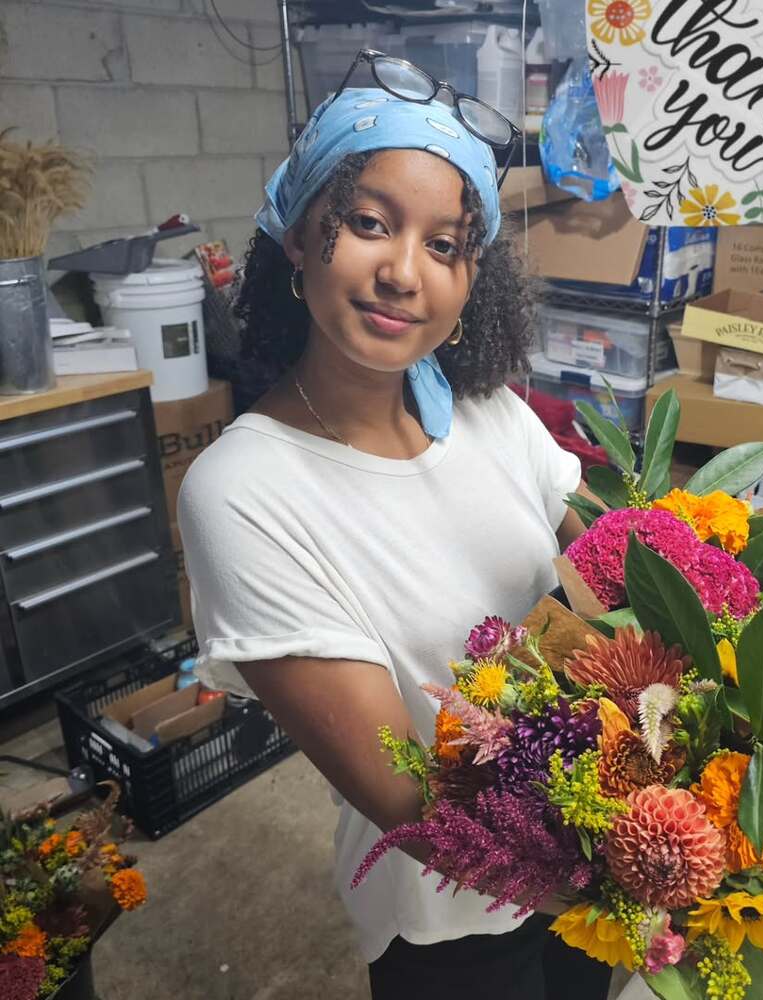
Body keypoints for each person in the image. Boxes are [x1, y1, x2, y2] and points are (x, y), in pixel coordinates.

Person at [178, 53, 612, 1000]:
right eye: (369, 223)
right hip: (455, 917)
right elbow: (411, 797)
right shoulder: (242, 490)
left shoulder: (492, 413)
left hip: (598, 868)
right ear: (297, 237)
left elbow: (611, 589)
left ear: (471, 280)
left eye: (447, 245)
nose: (403, 273)